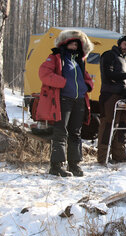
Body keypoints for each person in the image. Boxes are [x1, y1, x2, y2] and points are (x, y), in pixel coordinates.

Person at [38, 29, 94, 177]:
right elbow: (44, 73)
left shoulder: (79, 61)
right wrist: (63, 83)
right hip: (63, 100)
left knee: (76, 133)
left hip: (79, 100)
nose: (74, 46)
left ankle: (74, 164)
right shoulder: (56, 57)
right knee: (61, 132)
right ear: (65, 43)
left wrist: (87, 86)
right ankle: (56, 165)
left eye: (77, 44)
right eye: (72, 44)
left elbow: (86, 77)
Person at [97, 35, 126, 163]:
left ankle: (119, 154)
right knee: (108, 124)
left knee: (123, 125)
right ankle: (103, 156)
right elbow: (108, 74)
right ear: (119, 44)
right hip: (110, 94)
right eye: (125, 44)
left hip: (123, 96)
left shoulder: (125, 60)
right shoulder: (109, 55)